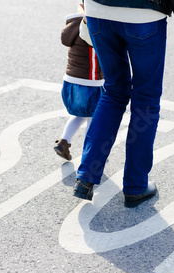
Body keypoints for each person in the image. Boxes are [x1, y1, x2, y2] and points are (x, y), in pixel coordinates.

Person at [73, 0, 174, 207]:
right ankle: (135, 187)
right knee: (146, 101)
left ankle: (85, 177)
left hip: (98, 11)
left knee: (113, 92)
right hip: (144, 14)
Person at [54, 3, 104, 161]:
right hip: (90, 83)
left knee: (79, 116)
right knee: (93, 119)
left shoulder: (72, 27)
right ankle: (90, 153)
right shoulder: (93, 27)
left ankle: (64, 142)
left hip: (70, 83)